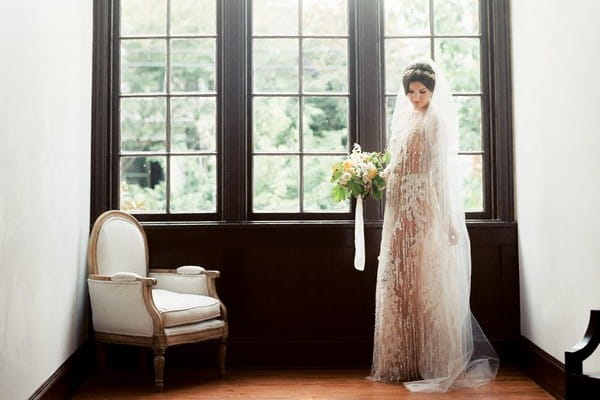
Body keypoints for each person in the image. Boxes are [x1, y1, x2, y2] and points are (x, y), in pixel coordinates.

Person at [369, 59, 499, 392]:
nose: (415, 97)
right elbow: (397, 163)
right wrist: (372, 177)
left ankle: (428, 359)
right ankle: (400, 360)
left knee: (421, 279)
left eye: (422, 92)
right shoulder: (403, 117)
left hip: (421, 206)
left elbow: (440, 175)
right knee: (396, 280)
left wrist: (448, 221)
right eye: (411, 91)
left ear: (432, 91)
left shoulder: (436, 121)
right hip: (397, 207)